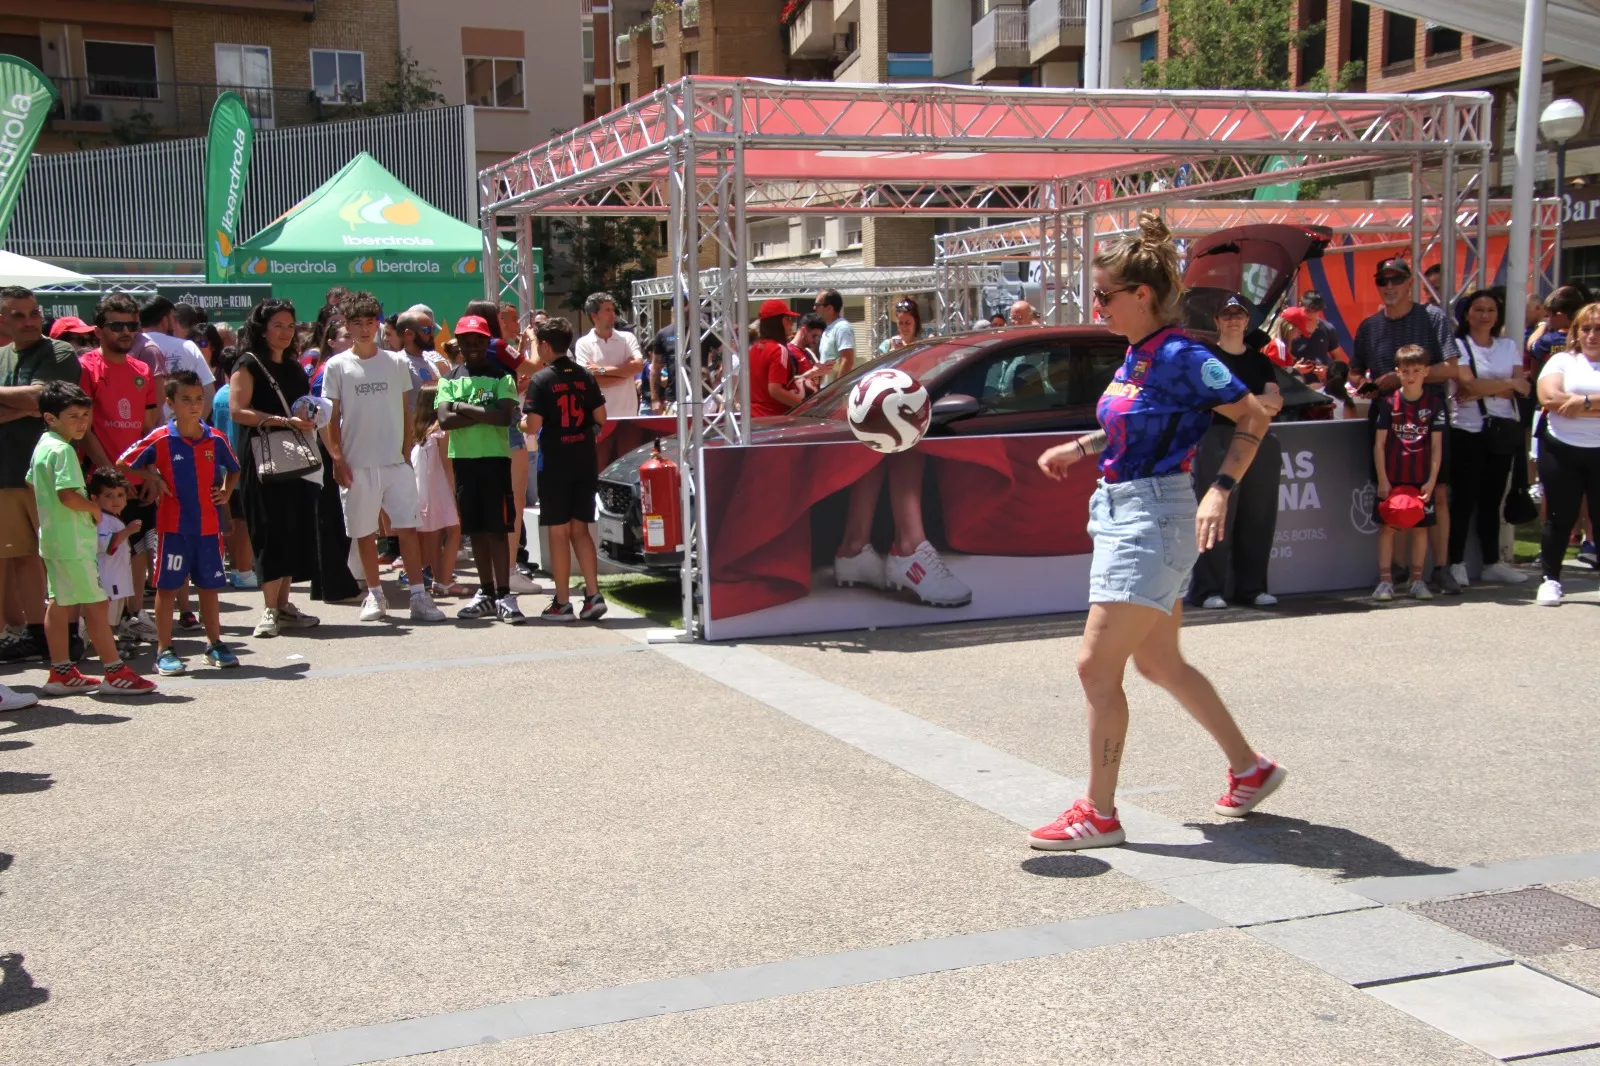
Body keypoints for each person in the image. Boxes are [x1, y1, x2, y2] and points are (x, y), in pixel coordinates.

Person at [1028, 211, 1282, 852]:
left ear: (1142, 295)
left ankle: (1099, 814)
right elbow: (1134, 425)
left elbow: (1252, 415)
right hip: (1124, 510)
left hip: (1153, 517)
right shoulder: (1139, 354)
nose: (1097, 305)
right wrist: (1082, 448)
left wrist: (1220, 491)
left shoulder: (1181, 355)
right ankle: (1250, 769)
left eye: (1104, 295)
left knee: (1095, 665)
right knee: (1160, 661)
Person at [321, 291, 444, 624]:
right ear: (346, 325)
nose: (364, 329)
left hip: (395, 462)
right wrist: (337, 458)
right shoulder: (336, 366)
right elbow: (330, 418)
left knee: (408, 528)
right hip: (356, 462)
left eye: (369, 322)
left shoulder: (395, 362)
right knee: (364, 531)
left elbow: (407, 411)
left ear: (377, 323)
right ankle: (374, 595)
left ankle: (419, 595)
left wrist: (405, 453)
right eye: (356, 324)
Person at [27, 381, 156, 696]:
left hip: (55, 538)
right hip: (72, 541)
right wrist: (94, 511)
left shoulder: (43, 445)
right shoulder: (64, 450)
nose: (82, 422)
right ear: (50, 417)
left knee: (59, 603)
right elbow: (68, 494)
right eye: (73, 416)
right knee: (95, 605)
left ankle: (61, 671)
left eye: (85, 415)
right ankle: (114, 672)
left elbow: (33, 484)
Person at [118, 370, 243, 674]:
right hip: (173, 528)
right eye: (186, 399)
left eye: (199, 398)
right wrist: (154, 478)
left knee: (210, 587)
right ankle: (164, 650)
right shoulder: (160, 438)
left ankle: (214, 643)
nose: (194, 405)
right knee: (168, 587)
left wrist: (225, 492)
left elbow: (234, 469)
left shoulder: (215, 438)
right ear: (171, 402)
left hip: (208, 528)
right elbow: (123, 463)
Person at [1350, 257, 1460, 594]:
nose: (1389, 287)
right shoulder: (1369, 326)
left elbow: (1451, 367)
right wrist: (1362, 385)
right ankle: (1395, 572)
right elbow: (1355, 372)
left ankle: (1440, 568)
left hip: (1429, 418)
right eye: (1382, 281)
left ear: (1409, 282)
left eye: (1396, 280)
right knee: (1393, 496)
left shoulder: (1432, 317)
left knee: (1436, 493)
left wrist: (1399, 377)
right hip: (1388, 418)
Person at [0, 286, 81, 680]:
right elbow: (36, 401)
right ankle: (36, 633)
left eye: (34, 313)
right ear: (3, 320)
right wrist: (29, 403)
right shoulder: (1, 357)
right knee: (23, 559)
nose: (29, 321)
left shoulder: (59, 352)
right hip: (8, 473)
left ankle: (69, 635)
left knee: (60, 556)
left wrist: (31, 402)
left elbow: (47, 398)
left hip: (52, 476)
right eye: (18, 315)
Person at [229, 299, 322, 638]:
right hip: (262, 457)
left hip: (295, 457)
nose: (285, 332)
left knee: (291, 530)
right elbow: (239, 410)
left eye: (290, 325)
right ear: (262, 329)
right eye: (277, 326)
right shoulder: (248, 364)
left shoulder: (295, 367)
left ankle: (283, 605)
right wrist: (283, 421)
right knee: (268, 530)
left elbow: (303, 405)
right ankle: (268, 609)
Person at [1189, 294, 1284, 609]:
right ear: (1217, 321)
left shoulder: (1259, 360)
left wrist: (1246, 407)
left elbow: (1277, 402)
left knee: (1258, 516)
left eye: (1238, 315)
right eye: (1227, 314)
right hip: (1216, 438)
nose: (1233, 320)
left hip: (1261, 440)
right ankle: (1207, 590)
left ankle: (1252, 588)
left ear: (1247, 321)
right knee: (1216, 517)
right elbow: (1215, 403)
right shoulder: (1206, 357)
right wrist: (1256, 406)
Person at [78, 295, 163, 646]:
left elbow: (147, 429)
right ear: (99, 330)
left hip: (137, 478)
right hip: (99, 482)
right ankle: (93, 626)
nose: (126, 331)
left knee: (138, 546)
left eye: (132, 325)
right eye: (117, 325)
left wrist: (151, 472)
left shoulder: (141, 369)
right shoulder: (85, 367)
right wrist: (110, 475)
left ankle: (132, 614)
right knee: (100, 552)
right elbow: (85, 428)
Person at [522, 317, 608, 622]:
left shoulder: (542, 379)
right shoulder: (585, 375)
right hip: (584, 459)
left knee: (558, 533)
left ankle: (561, 602)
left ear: (545, 345)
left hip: (555, 462)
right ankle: (593, 595)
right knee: (580, 529)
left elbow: (532, 426)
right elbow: (601, 415)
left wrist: (521, 422)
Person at [436, 315, 521, 623]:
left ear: (488, 342)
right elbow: (445, 421)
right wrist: (484, 412)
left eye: (479, 341)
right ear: (458, 343)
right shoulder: (449, 379)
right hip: (464, 462)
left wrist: (462, 407)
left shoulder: (502, 377)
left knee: (497, 529)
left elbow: (504, 418)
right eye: (466, 341)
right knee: (476, 532)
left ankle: (504, 594)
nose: (472, 346)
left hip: (495, 461)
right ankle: (486, 593)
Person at [1447, 290, 1531, 588]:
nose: (1485, 315)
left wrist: (1488, 387)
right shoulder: (1458, 345)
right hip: (1467, 431)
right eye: (1479, 309)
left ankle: (1492, 562)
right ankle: (1454, 562)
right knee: (1464, 500)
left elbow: (1522, 388)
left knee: (1492, 500)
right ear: (1467, 313)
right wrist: (1506, 384)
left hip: (1501, 430)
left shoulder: (1508, 346)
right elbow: (1466, 384)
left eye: (1491, 310)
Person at [1532, 301, 1600, 606]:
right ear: (1576, 331)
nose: (1592, 335)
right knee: (1559, 517)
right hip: (1561, 449)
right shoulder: (1561, 362)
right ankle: (1551, 579)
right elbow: (1548, 396)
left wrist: (1581, 404)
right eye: (1586, 328)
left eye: (1599, 329)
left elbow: (1567, 402)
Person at [1372, 346, 1446, 602]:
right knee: (1388, 527)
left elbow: (1436, 446)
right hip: (1392, 477)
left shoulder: (1434, 404)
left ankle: (1417, 580)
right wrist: (1382, 479)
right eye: (1405, 371)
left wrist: (1432, 479)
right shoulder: (1389, 403)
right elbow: (1379, 444)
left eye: (1416, 370)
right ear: (1398, 372)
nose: (1411, 375)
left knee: (1420, 528)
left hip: (1421, 478)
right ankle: (1385, 582)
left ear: (1426, 371)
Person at [209, 347, 257, 589]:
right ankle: (244, 571)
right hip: (239, 466)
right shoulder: (238, 398)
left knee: (232, 522)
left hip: (223, 467)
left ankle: (238, 569)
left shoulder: (219, 395)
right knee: (243, 524)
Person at [411, 385, 465, 598]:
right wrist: (455, 494)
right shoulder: (441, 431)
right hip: (441, 487)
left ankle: (439, 580)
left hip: (426, 489)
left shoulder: (422, 432)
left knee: (434, 534)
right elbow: (447, 464)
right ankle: (444, 580)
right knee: (454, 531)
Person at [85, 468, 138, 658]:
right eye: (108, 495)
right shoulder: (101, 519)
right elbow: (107, 545)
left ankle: (111, 642)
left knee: (114, 613)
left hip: (117, 575)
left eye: (120, 495)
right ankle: (105, 648)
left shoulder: (113, 518)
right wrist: (128, 531)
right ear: (94, 498)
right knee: (105, 614)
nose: (116, 501)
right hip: (107, 577)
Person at [575, 292, 644, 415]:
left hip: (627, 415)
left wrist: (601, 370)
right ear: (594, 315)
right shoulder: (583, 343)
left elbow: (638, 366)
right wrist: (624, 373)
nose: (613, 314)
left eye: (613, 310)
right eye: (607, 310)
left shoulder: (627, 338)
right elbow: (588, 380)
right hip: (597, 416)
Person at [140, 295, 214, 410]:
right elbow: (209, 392)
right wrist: (193, 425)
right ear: (165, 320)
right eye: (174, 318)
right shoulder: (188, 347)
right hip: (181, 425)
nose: (175, 324)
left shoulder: (127, 349)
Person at [748, 300, 809, 417]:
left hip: (753, 419)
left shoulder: (753, 349)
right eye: (788, 319)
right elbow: (775, 390)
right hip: (774, 419)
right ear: (776, 322)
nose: (792, 324)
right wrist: (805, 406)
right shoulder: (779, 350)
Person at [1291, 291, 1346, 379]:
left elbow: (1337, 358)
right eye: (1308, 310)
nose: (1311, 315)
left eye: (1315, 311)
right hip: (1293, 382)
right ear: (1300, 305)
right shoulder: (1289, 327)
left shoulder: (1328, 329)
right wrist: (1294, 370)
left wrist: (1328, 370)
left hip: (1319, 383)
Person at [814, 289, 856, 382]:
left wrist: (836, 390)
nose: (814, 308)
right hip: (827, 391)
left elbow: (847, 361)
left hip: (835, 393)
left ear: (829, 308)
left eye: (817, 305)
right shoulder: (828, 328)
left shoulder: (842, 328)